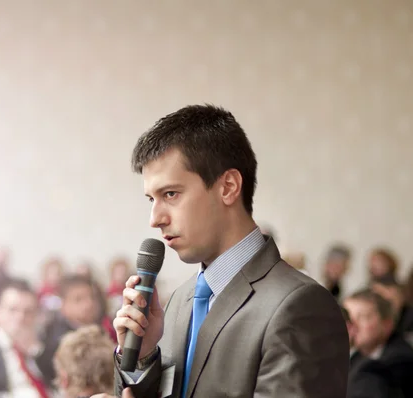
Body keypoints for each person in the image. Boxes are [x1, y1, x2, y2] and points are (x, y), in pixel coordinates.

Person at [112, 104, 349, 397]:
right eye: (151, 199)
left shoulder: (300, 306)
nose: (155, 219)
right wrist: (144, 356)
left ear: (228, 187)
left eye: (170, 194)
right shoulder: (178, 303)